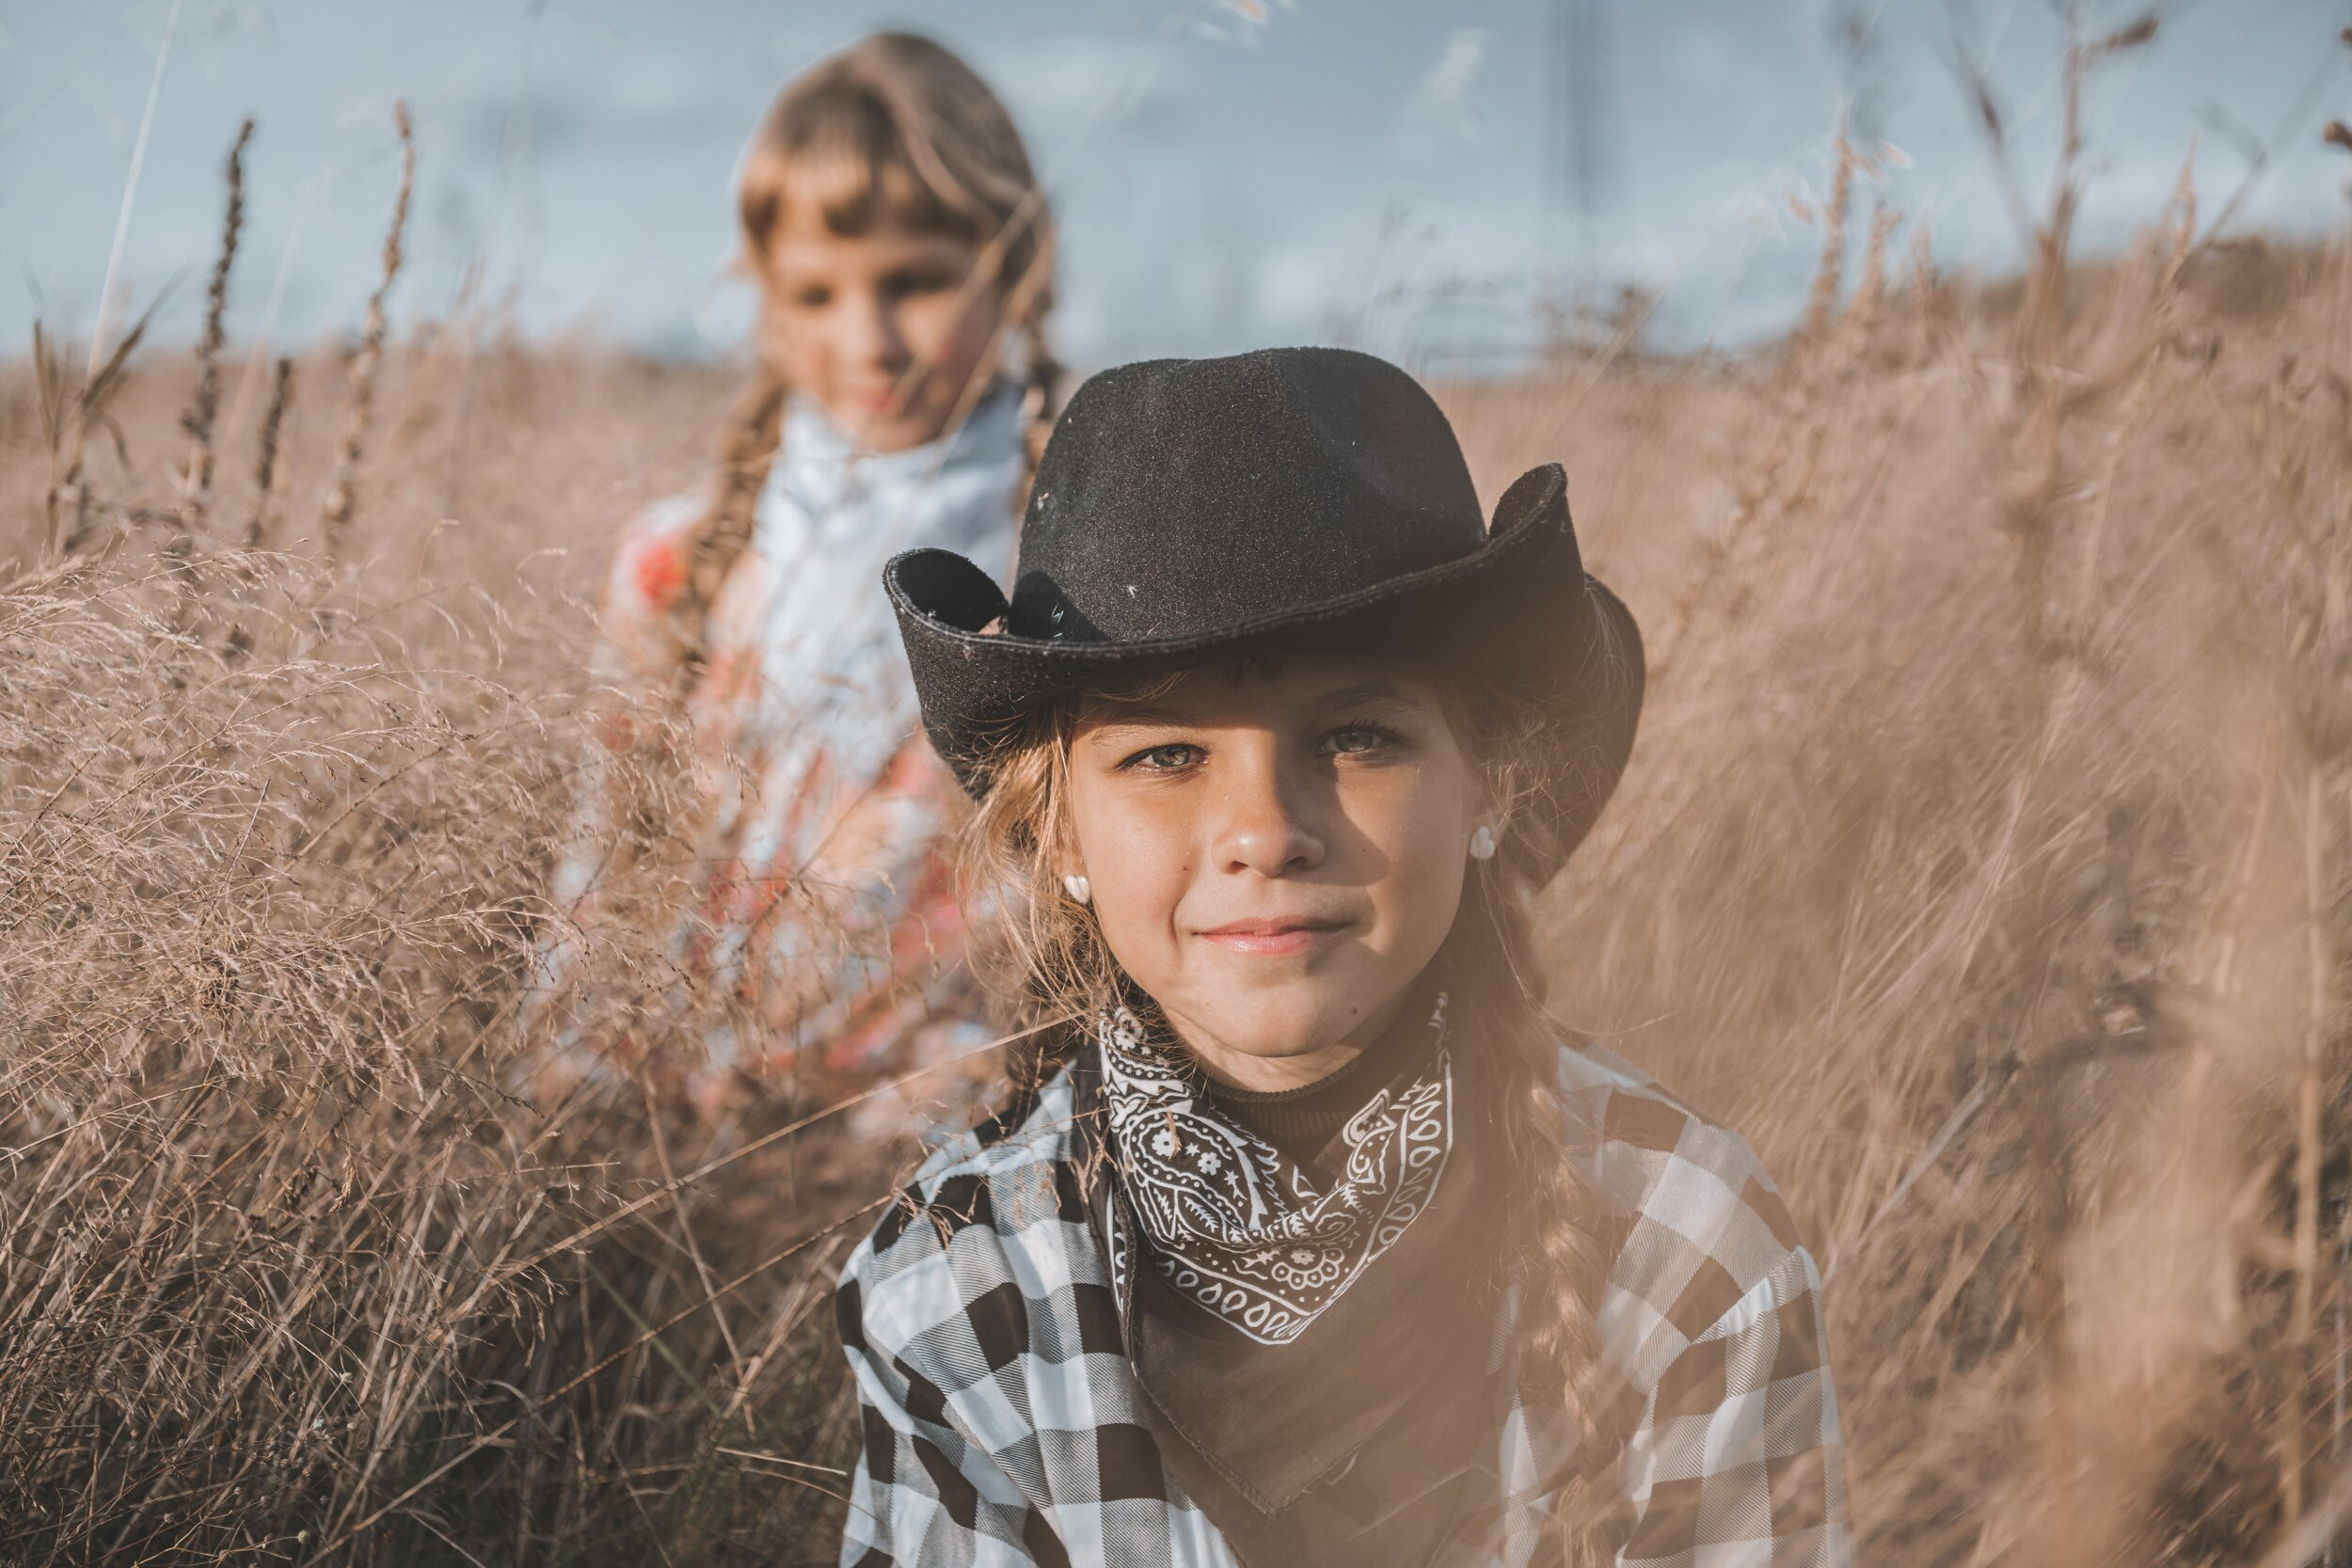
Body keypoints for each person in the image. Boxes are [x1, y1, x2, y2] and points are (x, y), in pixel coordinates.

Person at [833, 348, 1851, 1565]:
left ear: (1489, 784)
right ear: (1058, 833)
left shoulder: (1682, 1246)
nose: (1266, 830)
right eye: (1165, 755)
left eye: (1357, 735)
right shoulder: (955, 1286)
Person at [545, 33, 1057, 1108]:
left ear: (1013, 266)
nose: (869, 339)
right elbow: (603, 865)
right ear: (764, 297)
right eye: (817, 293)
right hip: (690, 1121)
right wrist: (569, 1091)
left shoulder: (1067, 559)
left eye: (916, 281)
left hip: (952, 1123)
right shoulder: (680, 558)